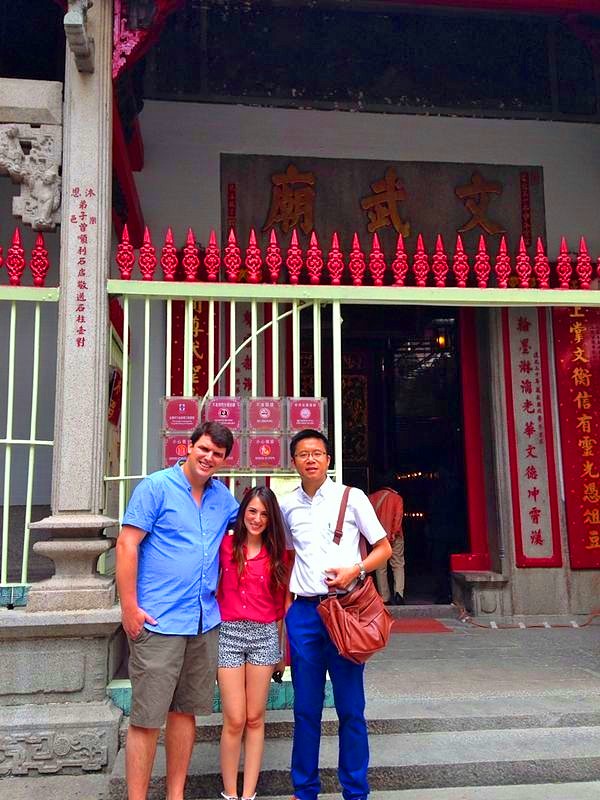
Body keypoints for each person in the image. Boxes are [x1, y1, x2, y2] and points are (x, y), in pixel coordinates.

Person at [115, 421, 239, 800]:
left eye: (217, 454)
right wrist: (129, 608)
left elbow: (256, 527)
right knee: (147, 717)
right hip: (158, 620)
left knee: (186, 712)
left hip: (203, 621)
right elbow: (127, 544)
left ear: (224, 461)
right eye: (203, 449)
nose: (208, 458)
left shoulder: (222, 499)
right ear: (188, 446)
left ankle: (176, 795)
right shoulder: (156, 487)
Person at [280, 429, 392, 800]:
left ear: (328, 460)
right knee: (306, 709)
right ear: (293, 461)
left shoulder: (352, 497)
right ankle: (305, 790)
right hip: (304, 613)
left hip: (345, 611)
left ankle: (356, 791)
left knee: (350, 708)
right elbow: (280, 553)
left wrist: (356, 570)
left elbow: (383, 548)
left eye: (317, 453)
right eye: (302, 453)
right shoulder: (286, 505)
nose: (310, 459)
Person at [217, 486, 289, 800]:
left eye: (263, 514)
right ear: (243, 512)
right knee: (234, 717)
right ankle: (230, 793)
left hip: (264, 636)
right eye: (252, 511)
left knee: (255, 717)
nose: (257, 519)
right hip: (228, 633)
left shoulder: (279, 554)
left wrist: (281, 652)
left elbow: (282, 604)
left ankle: (249, 794)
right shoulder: (225, 546)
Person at [368, 477, 405, 605]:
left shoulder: (371, 498)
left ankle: (384, 597)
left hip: (378, 538)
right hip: (395, 536)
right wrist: (393, 533)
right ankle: (399, 594)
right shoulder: (397, 498)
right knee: (398, 564)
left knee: (380, 567)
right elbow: (398, 518)